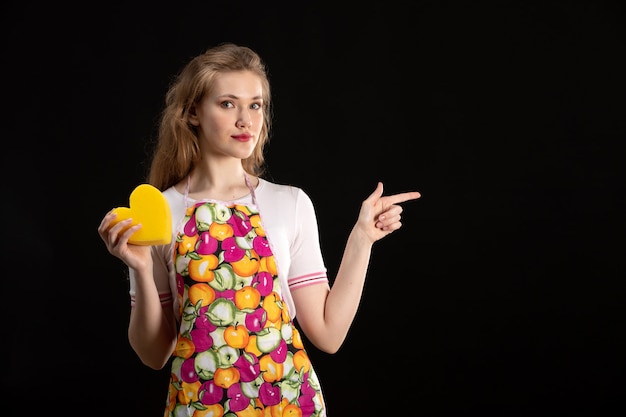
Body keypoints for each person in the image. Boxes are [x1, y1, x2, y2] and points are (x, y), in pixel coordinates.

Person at [98, 42, 421, 417]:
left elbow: (328, 334)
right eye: (227, 103)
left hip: (288, 405)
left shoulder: (290, 203)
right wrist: (137, 267)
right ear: (192, 113)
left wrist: (362, 239)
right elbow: (154, 355)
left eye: (255, 104)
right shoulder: (162, 210)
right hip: (199, 407)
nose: (245, 120)